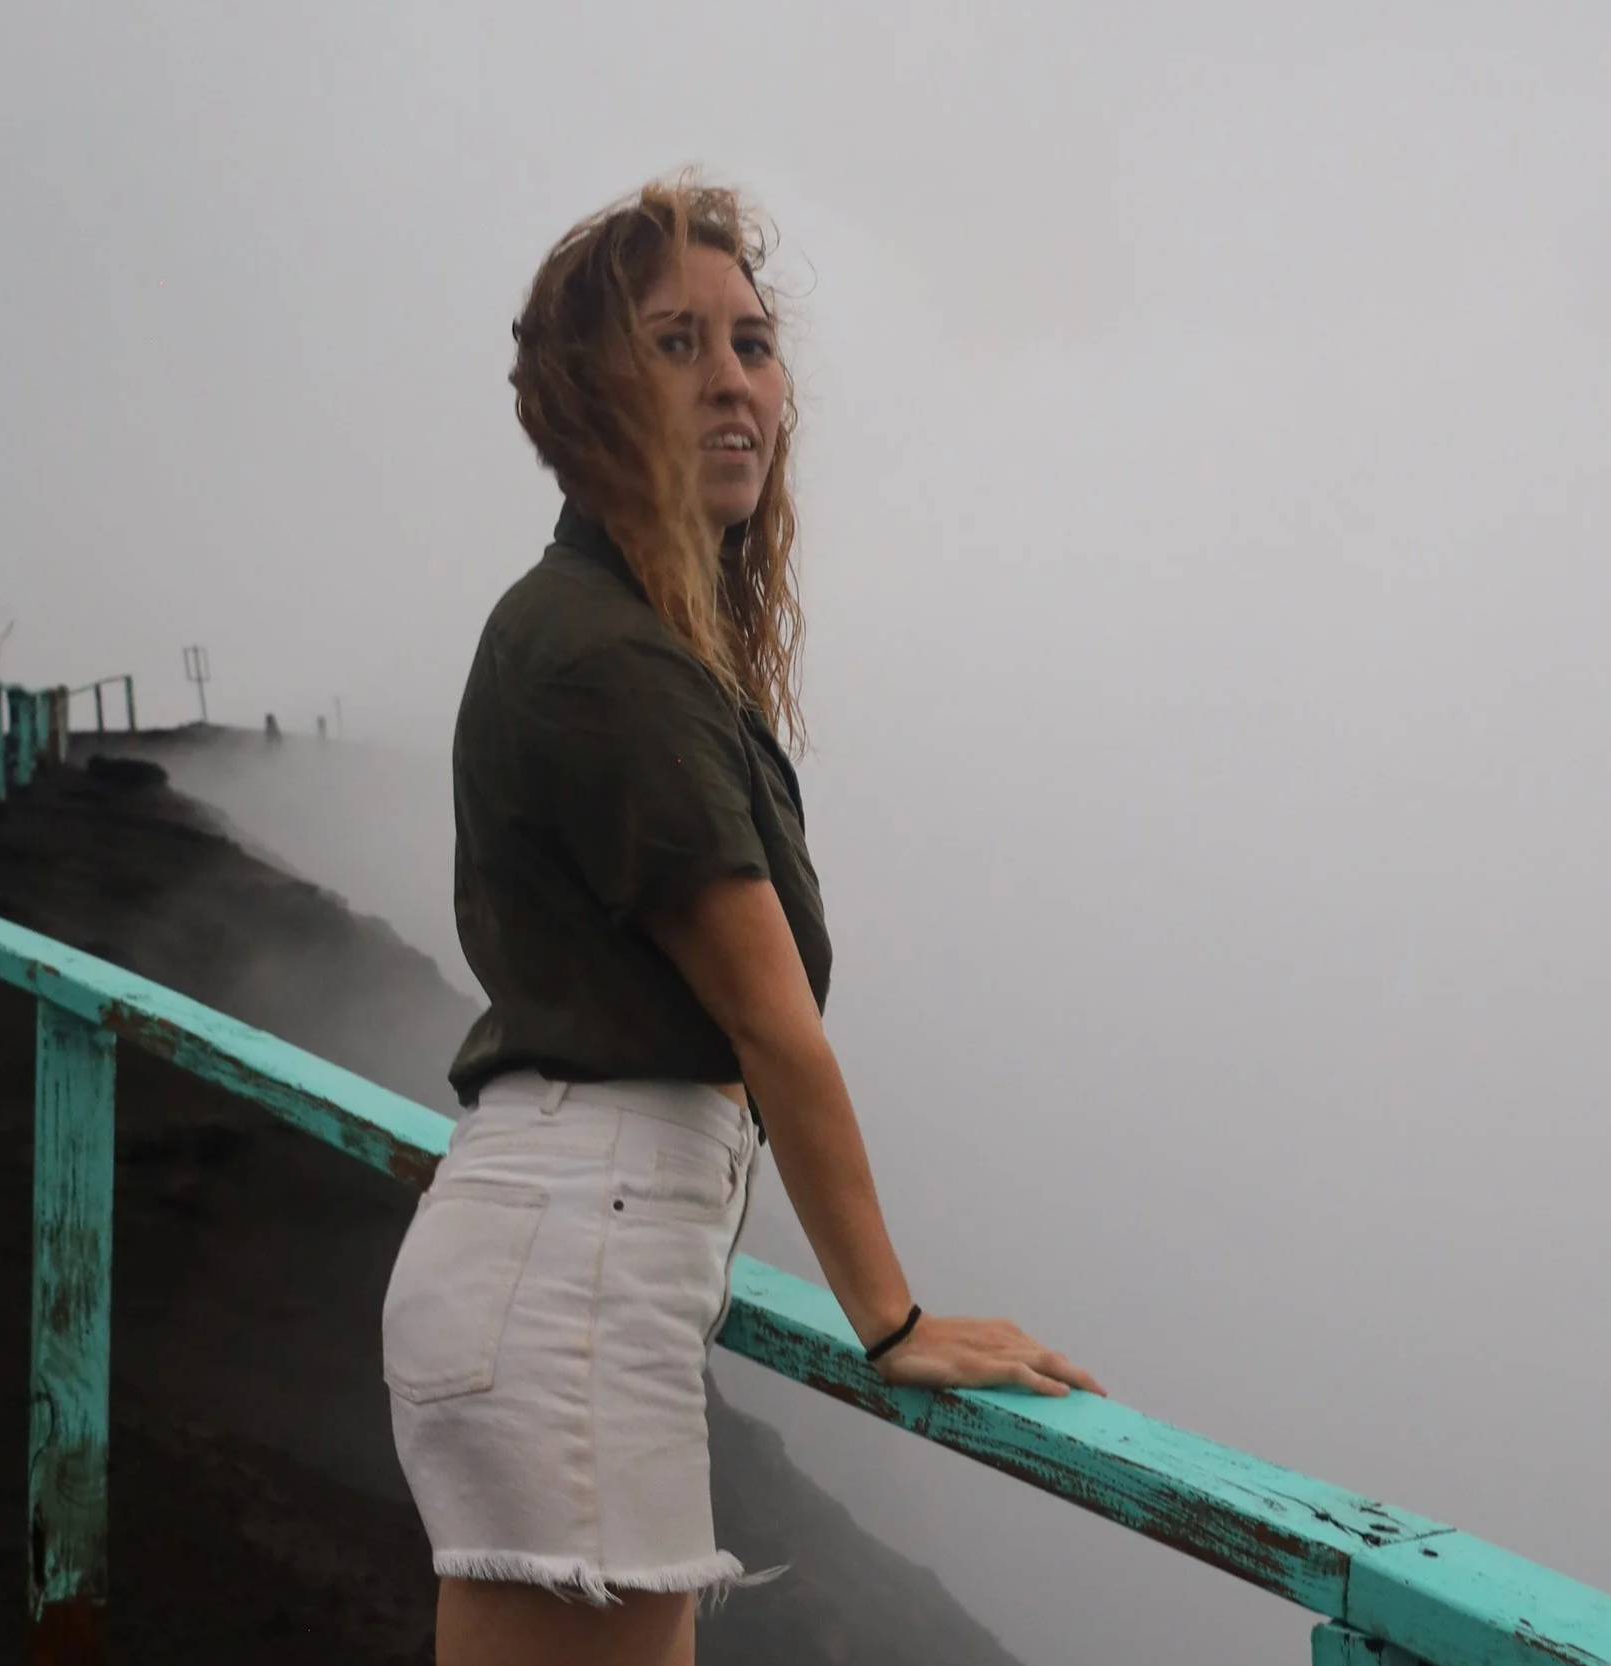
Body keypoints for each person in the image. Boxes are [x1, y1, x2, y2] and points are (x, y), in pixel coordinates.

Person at [379, 175, 1102, 1666]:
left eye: (754, 343)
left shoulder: (607, 631)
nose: (733, 381)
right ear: (588, 395)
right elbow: (774, 1023)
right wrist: (893, 1321)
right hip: (577, 1281)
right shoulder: (603, 663)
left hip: (566, 1270)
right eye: (675, 343)